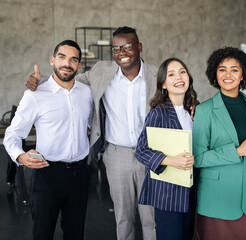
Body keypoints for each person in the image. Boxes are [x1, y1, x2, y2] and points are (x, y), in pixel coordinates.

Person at [26, 26, 156, 240]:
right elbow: (68, 78)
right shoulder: (101, 72)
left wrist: (192, 103)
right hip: (116, 154)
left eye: (128, 47)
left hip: (151, 154)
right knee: (123, 218)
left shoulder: (156, 75)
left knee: (151, 217)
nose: (122, 53)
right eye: (116, 48)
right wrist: (38, 81)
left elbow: (178, 93)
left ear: (139, 47)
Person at [4, 40, 93, 240]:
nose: (67, 63)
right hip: (48, 174)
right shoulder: (35, 95)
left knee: (75, 234)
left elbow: (92, 124)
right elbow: (12, 134)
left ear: (79, 66)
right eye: (62, 57)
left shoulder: (87, 93)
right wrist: (20, 155)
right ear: (53, 60)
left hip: (80, 174)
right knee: (43, 233)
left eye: (73, 59)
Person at [192, 47, 246, 240]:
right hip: (216, 198)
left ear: (243, 75)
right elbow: (198, 158)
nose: (228, 74)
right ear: (215, 73)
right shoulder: (204, 111)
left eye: (234, 70)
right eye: (222, 69)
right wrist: (237, 151)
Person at [135, 58, 198, 240]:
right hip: (168, 193)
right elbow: (141, 150)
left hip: (190, 190)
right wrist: (171, 160)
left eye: (182, 72)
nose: (178, 77)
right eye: (171, 74)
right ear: (163, 83)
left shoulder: (194, 111)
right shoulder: (158, 113)